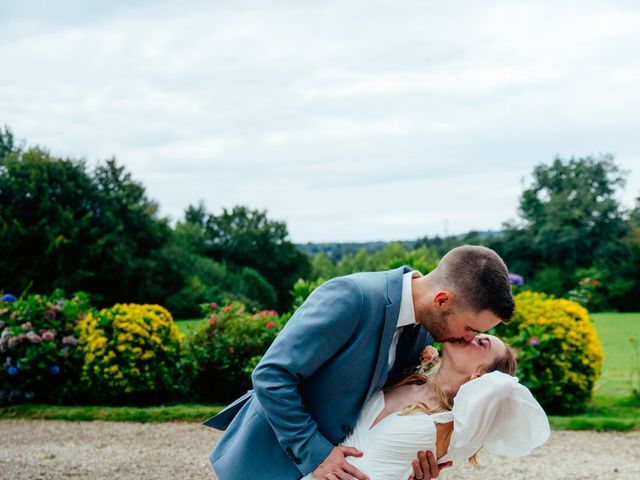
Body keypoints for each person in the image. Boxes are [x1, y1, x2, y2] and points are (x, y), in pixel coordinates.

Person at [204, 245, 516, 480]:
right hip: (268, 464)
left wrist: (407, 458)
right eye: (470, 330)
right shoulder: (353, 296)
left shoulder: (425, 331)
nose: (466, 340)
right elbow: (272, 376)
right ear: (442, 301)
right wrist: (317, 455)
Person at [299, 334, 550, 480]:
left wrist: (483, 380)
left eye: (481, 343)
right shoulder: (404, 376)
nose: (470, 336)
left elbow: (505, 390)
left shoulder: (454, 424)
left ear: (482, 373)